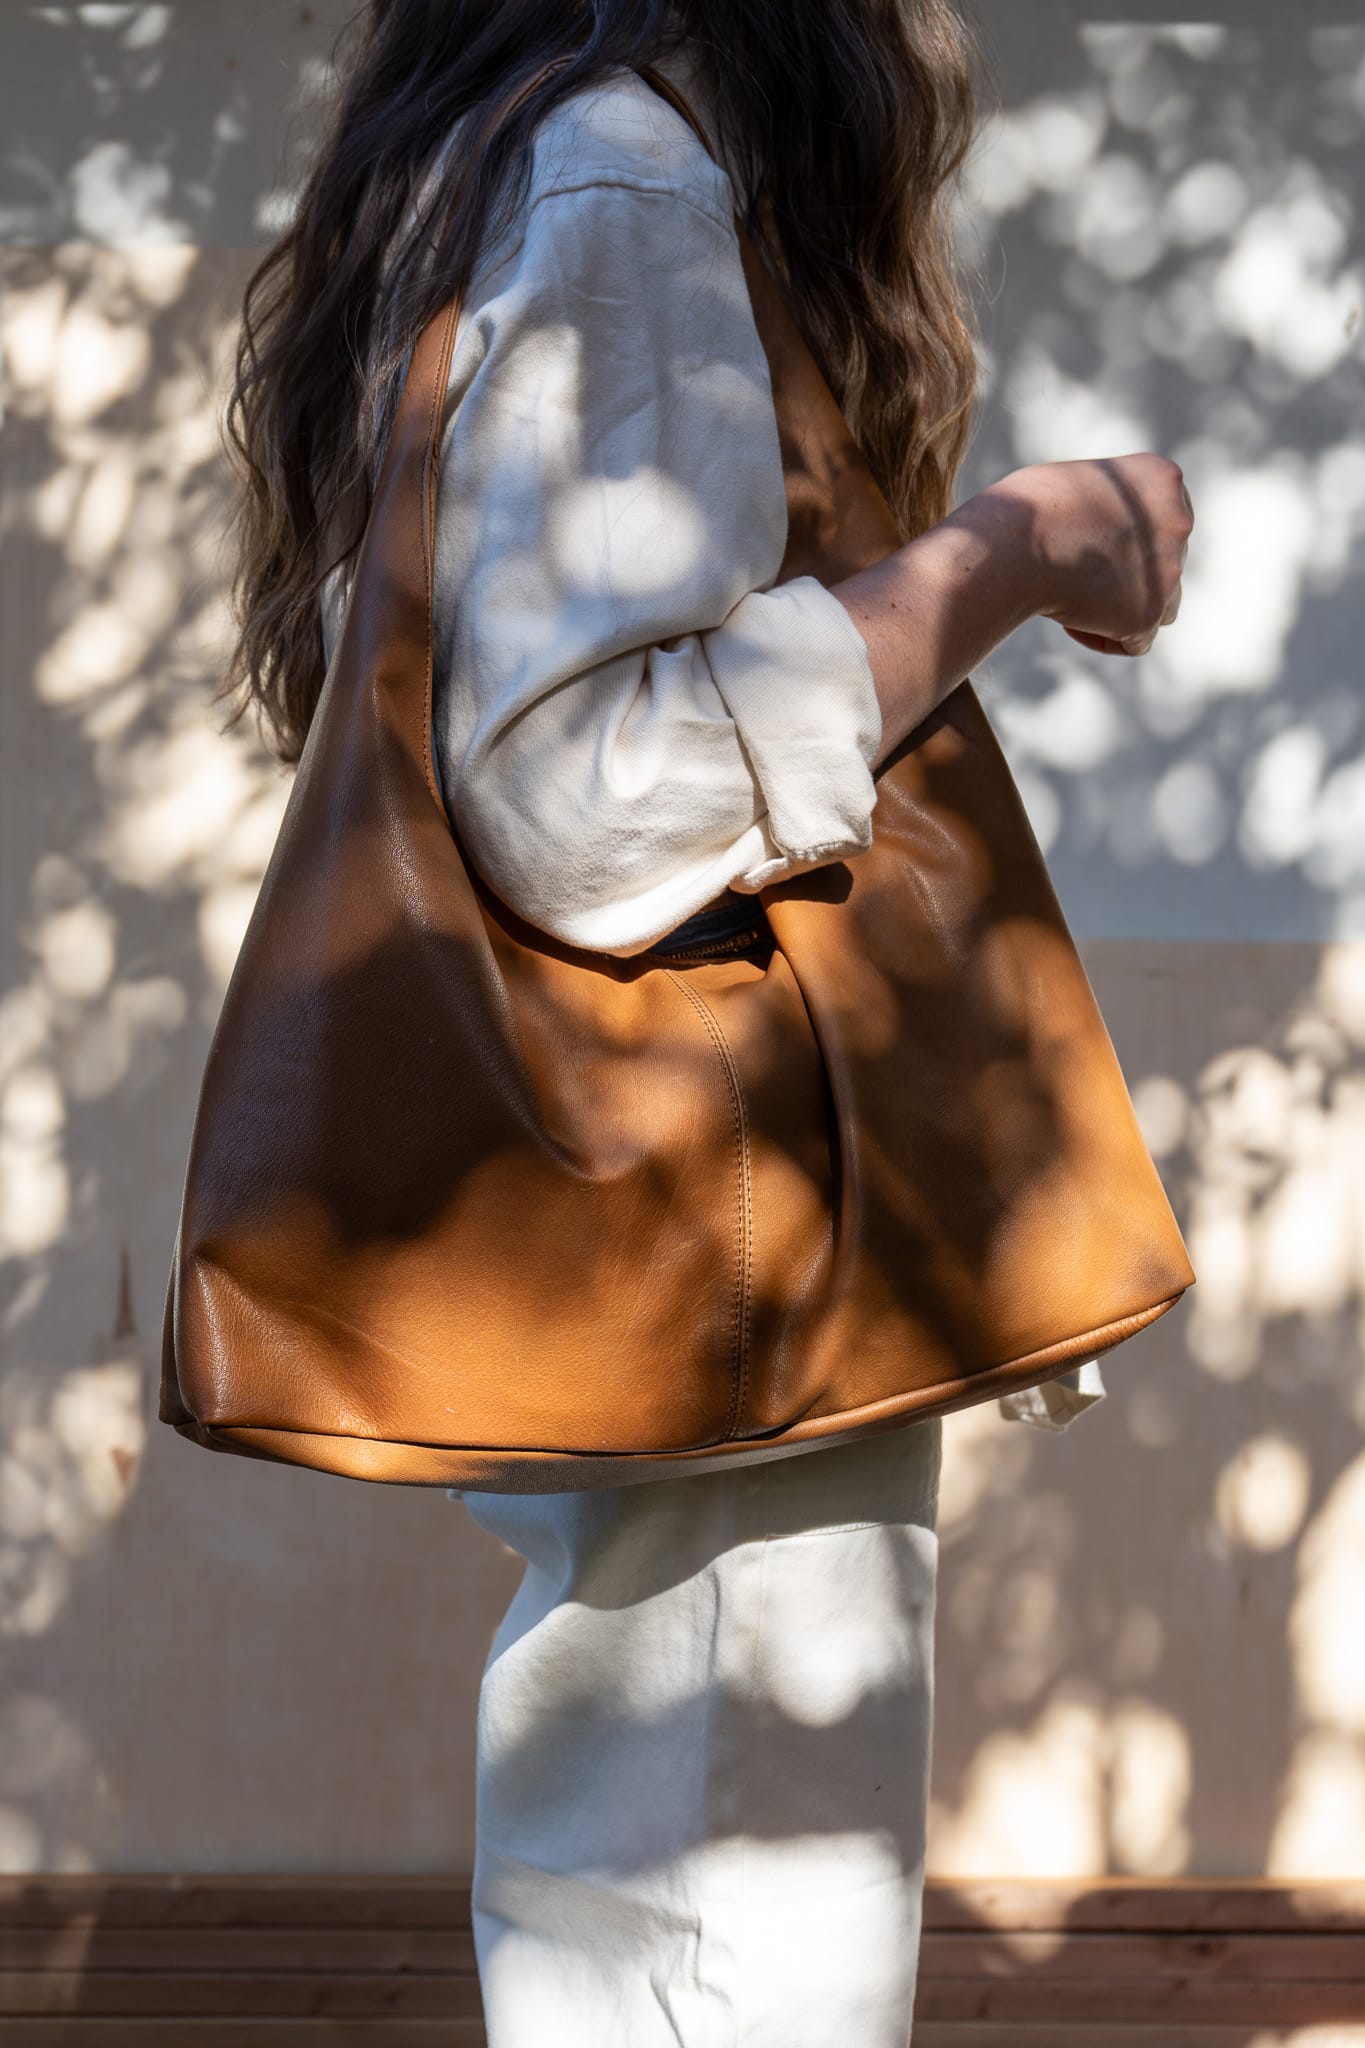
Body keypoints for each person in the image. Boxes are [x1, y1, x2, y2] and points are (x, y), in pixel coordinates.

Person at [222, 4, 1192, 2041]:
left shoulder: (533, 160)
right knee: (728, 1915)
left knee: (642, 1893)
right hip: (718, 1234)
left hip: (697, 1261)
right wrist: (1009, 554)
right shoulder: (620, 171)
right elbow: (582, 787)